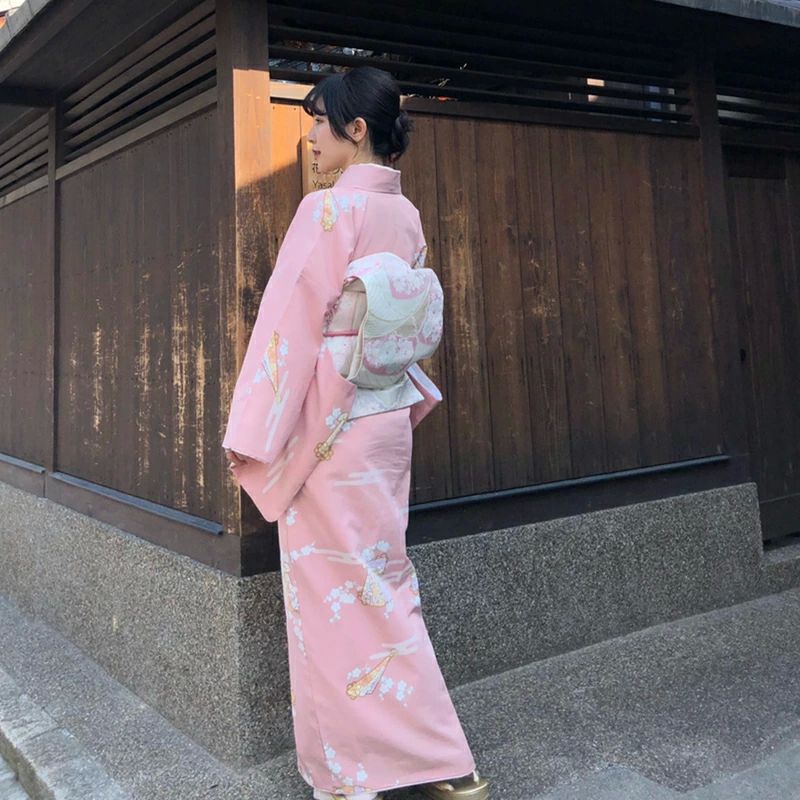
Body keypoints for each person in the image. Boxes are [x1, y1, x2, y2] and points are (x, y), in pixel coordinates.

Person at [222, 65, 490, 800]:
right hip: (384, 422)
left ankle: (353, 776)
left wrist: (253, 431)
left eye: (320, 121)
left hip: (332, 433)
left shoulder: (328, 209)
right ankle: (445, 765)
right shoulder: (404, 215)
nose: (311, 137)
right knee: (383, 585)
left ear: (357, 129)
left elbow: (289, 325)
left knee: (333, 600)